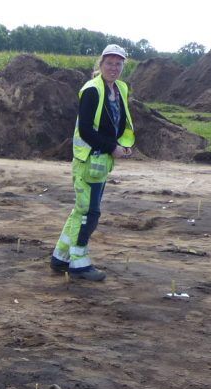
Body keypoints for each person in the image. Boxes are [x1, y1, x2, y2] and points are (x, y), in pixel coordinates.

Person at [50, 43, 136, 282]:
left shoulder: (120, 89)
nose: (114, 68)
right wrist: (112, 147)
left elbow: (118, 121)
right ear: (101, 64)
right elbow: (86, 130)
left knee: (81, 210)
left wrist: (122, 145)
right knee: (90, 212)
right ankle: (78, 262)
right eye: (110, 63)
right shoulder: (92, 90)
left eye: (118, 64)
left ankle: (60, 257)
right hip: (89, 160)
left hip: (101, 161)